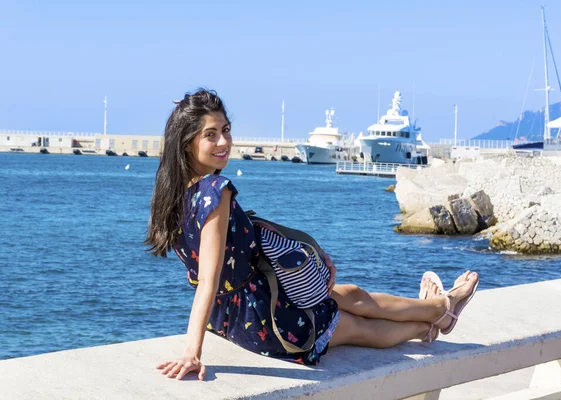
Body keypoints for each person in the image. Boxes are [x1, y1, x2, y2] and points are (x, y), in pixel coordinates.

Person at [146, 88, 479, 381]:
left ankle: (437, 308)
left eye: (226, 130)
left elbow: (243, 242)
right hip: (264, 318)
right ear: (187, 143)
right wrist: (192, 352)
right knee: (352, 324)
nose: (224, 142)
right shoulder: (216, 192)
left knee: (350, 294)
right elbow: (208, 277)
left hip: (229, 316)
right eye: (210, 134)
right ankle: (434, 321)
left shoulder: (174, 193)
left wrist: (312, 255)